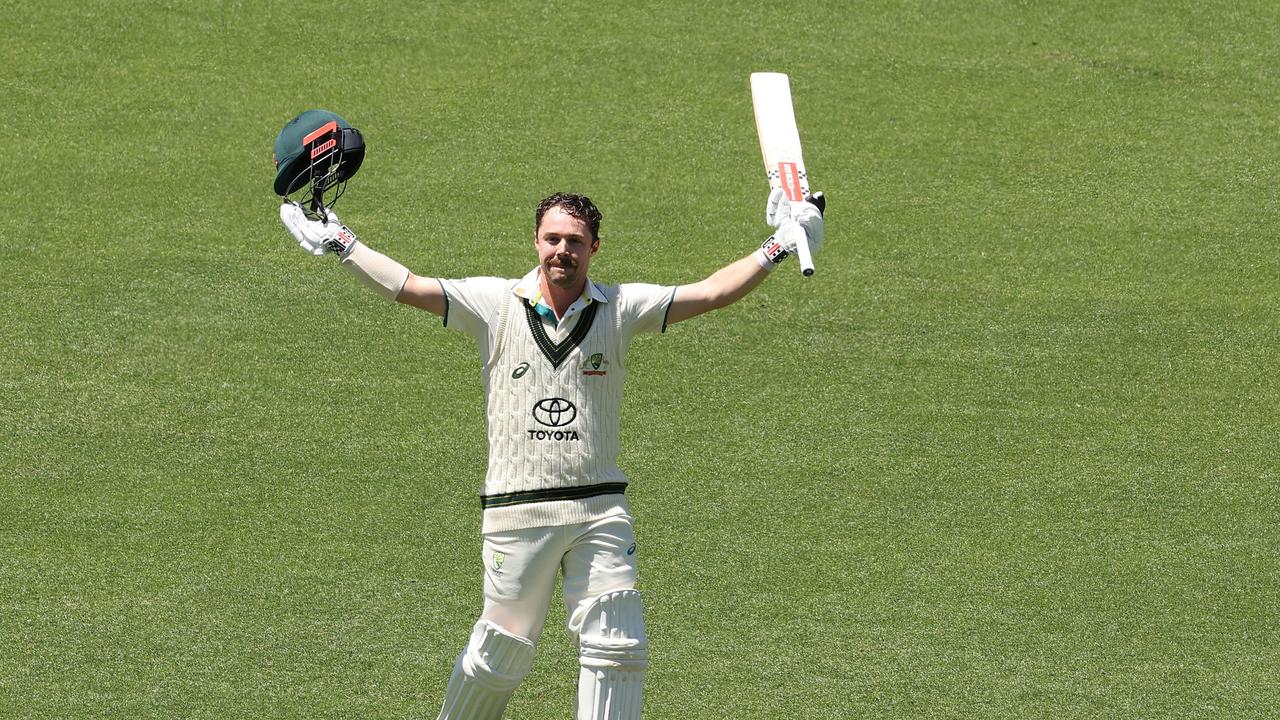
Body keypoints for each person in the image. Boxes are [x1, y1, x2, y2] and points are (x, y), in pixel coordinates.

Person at [278, 189, 824, 719]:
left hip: (599, 509)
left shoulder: (622, 307)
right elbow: (410, 287)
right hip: (518, 512)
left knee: (618, 643)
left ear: (594, 248)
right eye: (553, 239)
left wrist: (776, 247)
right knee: (499, 656)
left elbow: (709, 292)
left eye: (576, 241)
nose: (563, 250)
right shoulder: (494, 304)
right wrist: (344, 244)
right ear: (537, 242)